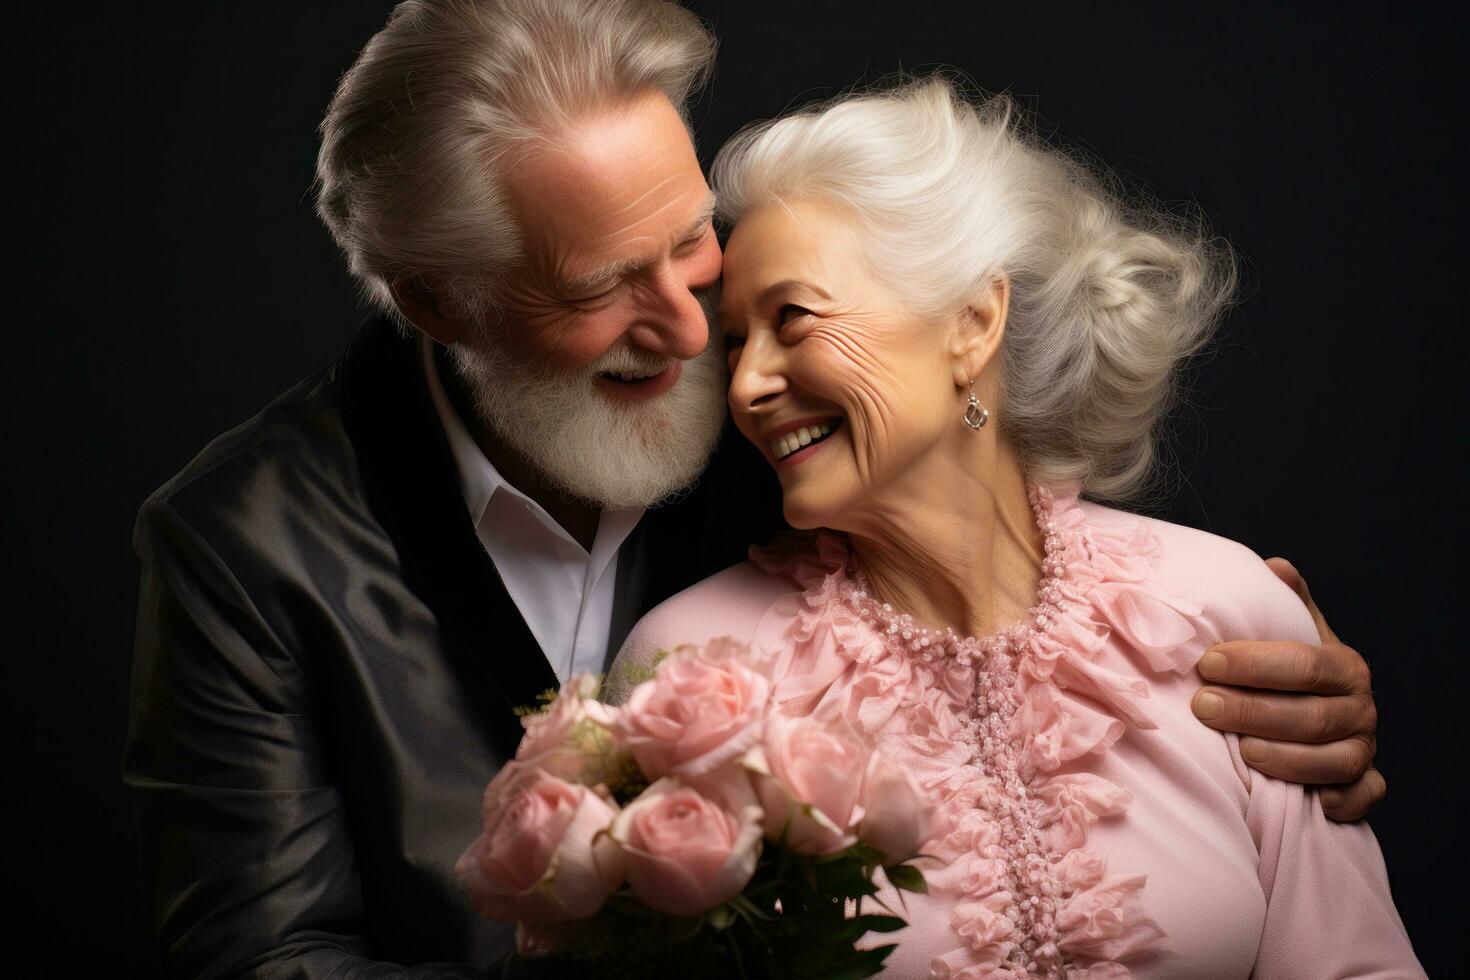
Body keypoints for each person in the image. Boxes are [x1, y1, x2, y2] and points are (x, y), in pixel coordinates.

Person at [122, 1, 1384, 975]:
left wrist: (1274, 671)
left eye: (690, 245)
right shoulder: (244, 542)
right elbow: (263, 956)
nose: (693, 340)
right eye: (601, 284)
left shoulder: (809, 428)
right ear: (440, 303)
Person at [609, 77, 1421, 976]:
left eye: (791, 319)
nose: (745, 386)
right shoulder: (696, 672)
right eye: (734, 344)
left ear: (973, 321)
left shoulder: (1220, 611)